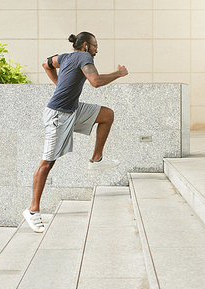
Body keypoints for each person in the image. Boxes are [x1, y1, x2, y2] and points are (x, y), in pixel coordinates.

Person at [23, 31, 128, 233]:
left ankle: (96, 159)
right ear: (86, 45)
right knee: (47, 163)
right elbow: (95, 82)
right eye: (95, 46)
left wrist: (59, 85)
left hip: (72, 109)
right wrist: (118, 74)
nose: (97, 50)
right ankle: (33, 210)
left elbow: (46, 64)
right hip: (58, 116)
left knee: (107, 115)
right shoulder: (84, 57)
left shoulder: (64, 57)